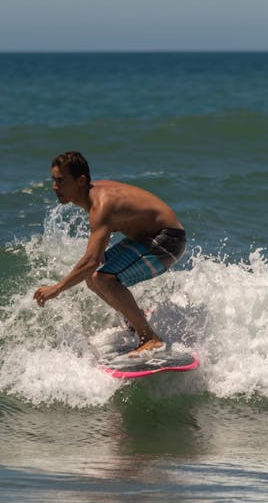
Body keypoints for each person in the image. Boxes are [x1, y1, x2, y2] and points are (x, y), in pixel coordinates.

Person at [33, 151, 187, 356]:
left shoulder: (101, 205)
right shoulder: (93, 194)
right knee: (92, 277)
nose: (55, 187)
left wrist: (57, 288)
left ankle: (150, 338)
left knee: (103, 278)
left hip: (168, 241)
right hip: (148, 239)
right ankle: (136, 320)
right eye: (54, 180)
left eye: (61, 181)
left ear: (80, 181)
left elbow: (91, 260)